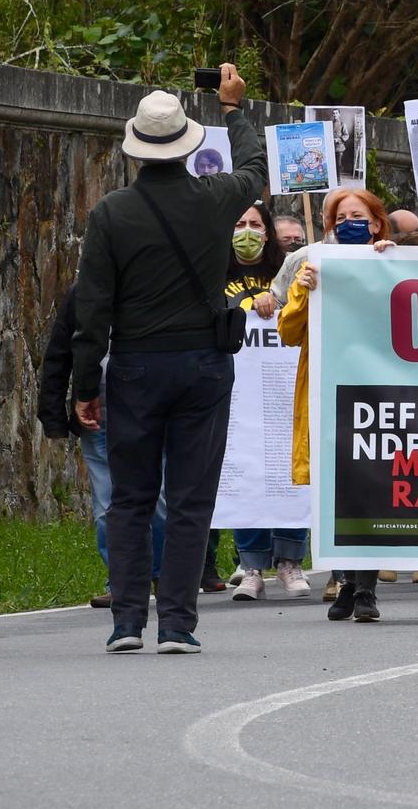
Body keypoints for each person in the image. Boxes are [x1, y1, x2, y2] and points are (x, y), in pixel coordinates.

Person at [73, 68, 267, 653]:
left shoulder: (111, 212)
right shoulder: (216, 199)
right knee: (190, 497)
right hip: (204, 365)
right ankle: (178, 624)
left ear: (136, 146)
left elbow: (93, 308)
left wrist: (86, 384)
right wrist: (232, 108)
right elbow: (256, 169)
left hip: (133, 366)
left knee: (130, 498)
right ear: (187, 143)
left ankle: (127, 622)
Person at [280, 189, 397, 622]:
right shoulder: (315, 270)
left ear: (375, 223)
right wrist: (303, 293)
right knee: (337, 493)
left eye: (357, 215)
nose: (348, 221)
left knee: (369, 488)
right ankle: (347, 581)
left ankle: (364, 588)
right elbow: (289, 333)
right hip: (330, 392)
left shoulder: (391, 261)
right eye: (339, 216)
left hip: (378, 392)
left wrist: (391, 262)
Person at [41, 285, 165, 609]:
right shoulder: (81, 295)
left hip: (154, 416)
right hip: (99, 419)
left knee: (161, 503)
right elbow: (59, 355)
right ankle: (121, 582)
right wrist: (53, 414)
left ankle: (163, 576)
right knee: (108, 507)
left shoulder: (160, 287)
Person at [222, 202, 310, 600]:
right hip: (237, 393)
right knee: (248, 471)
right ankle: (252, 565)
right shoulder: (215, 270)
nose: (247, 230)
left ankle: (291, 563)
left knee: (290, 471)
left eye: (256, 224)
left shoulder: (287, 267)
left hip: (285, 388)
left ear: (269, 231)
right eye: (239, 223)